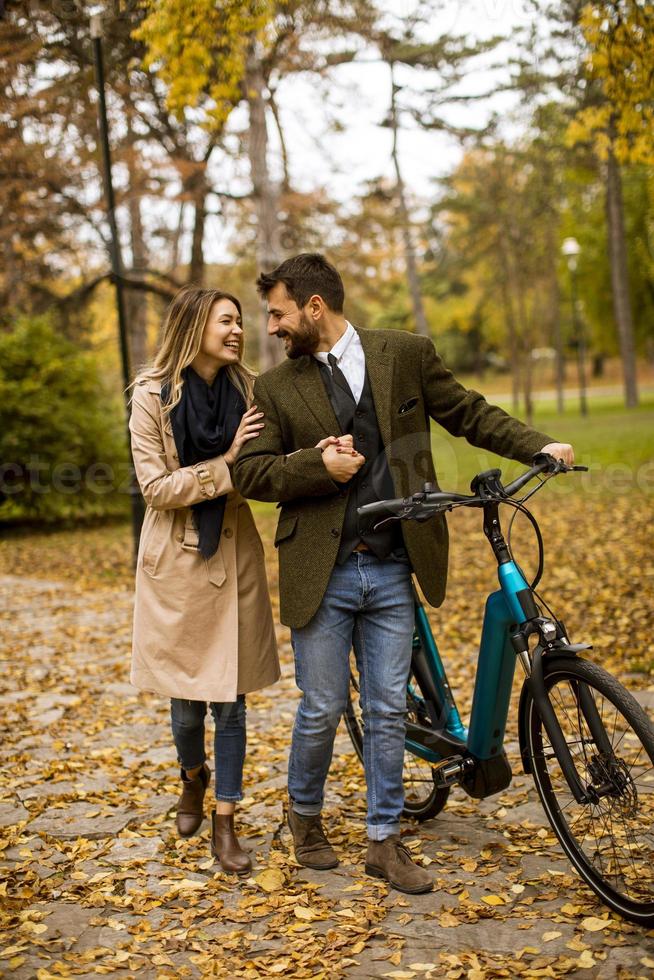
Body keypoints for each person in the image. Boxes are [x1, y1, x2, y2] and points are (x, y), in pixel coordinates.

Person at [233, 253, 574, 895]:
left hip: (394, 567)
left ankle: (383, 842)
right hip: (322, 572)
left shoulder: (406, 352)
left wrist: (538, 446)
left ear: (313, 306)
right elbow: (253, 473)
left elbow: (468, 412)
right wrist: (314, 466)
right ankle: (304, 818)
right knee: (323, 707)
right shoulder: (275, 388)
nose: (272, 327)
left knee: (387, 710)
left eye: (278, 312)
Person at [129, 285, 280, 875]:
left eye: (240, 320)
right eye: (227, 320)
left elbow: (266, 463)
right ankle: (192, 777)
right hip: (178, 560)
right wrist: (225, 464)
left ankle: (226, 821)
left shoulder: (249, 391)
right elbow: (156, 489)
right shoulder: (152, 396)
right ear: (195, 326)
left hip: (235, 555)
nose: (239, 329)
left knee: (232, 705)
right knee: (188, 707)